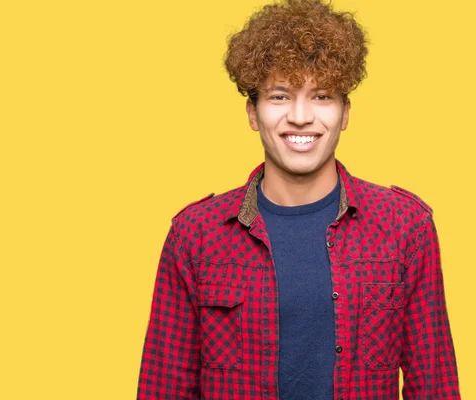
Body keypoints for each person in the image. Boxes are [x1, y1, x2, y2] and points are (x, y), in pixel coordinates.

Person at [136, 0, 461, 398]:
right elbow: (163, 388)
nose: (301, 116)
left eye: (322, 96)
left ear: (345, 113)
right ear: (253, 114)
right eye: (279, 96)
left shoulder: (405, 226)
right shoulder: (195, 235)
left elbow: (435, 386)